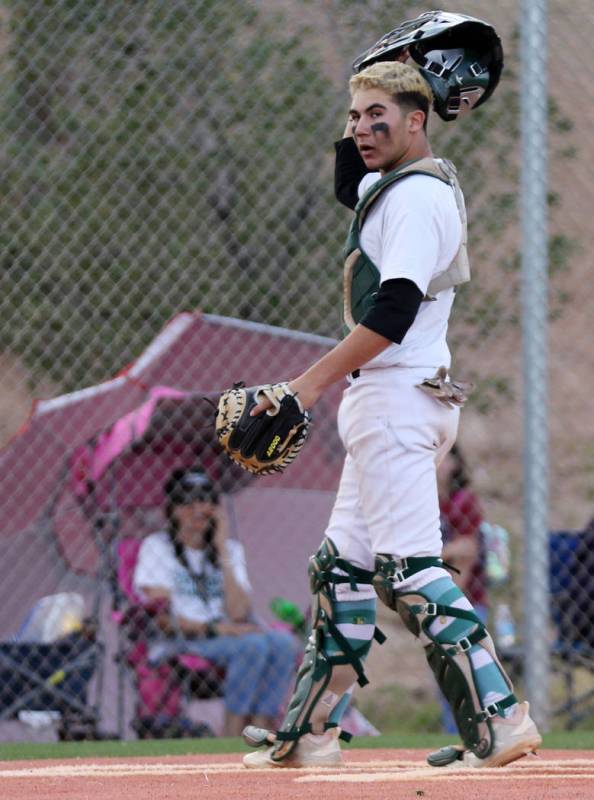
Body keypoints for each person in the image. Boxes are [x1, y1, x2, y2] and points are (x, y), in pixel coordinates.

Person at [241, 56, 541, 770]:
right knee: (341, 568)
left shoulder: (414, 198)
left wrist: (305, 386)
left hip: (397, 399)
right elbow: (352, 181)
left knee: (407, 570)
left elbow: (395, 309)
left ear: (419, 120)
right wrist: (371, 74)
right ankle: (312, 731)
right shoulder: (397, 183)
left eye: (381, 118)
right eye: (354, 118)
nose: (363, 130)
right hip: (396, 401)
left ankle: (500, 719)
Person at [133, 466, 300, 737]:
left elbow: (239, 612)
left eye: (207, 500)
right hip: (185, 638)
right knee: (253, 645)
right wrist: (215, 629)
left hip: (228, 635)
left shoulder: (231, 550)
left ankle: (261, 727)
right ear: (173, 509)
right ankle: (233, 733)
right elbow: (161, 617)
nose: (199, 508)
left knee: (283, 644)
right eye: (188, 500)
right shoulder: (157, 547)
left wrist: (221, 548)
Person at [437, 444, 488, 733]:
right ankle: (456, 733)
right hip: (438, 599)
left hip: (467, 600)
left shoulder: (461, 499)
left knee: (469, 670)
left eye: (444, 458)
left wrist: (451, 600)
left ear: (456, 464)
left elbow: (467, 550)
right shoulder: (427, 501)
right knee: (446, 673)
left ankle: (479, 731)